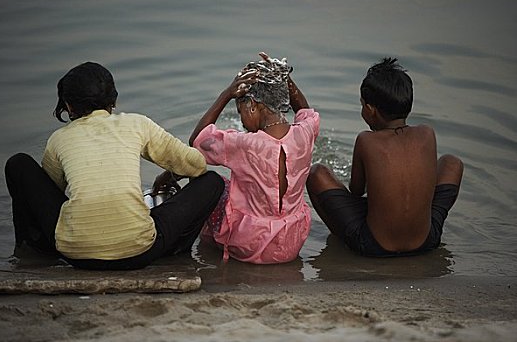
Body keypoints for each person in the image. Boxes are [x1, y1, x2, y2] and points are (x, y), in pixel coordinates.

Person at [4, 62, 224, 270]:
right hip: (140, 252)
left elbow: (50, 191)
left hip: (76, 255)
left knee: (18, 164)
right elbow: (196, 165)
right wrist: (169, 175)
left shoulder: (59, 139)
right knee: (211, 181)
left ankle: (33, 250)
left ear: (68, 105)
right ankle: (176, 251)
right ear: (114, 100)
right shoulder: (137, 124)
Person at [307, 58, 463, 257]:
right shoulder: (427, 133)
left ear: (371, 110)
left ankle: (346, 238)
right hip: (426, 241)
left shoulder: (366, 140)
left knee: (316, 173)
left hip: (374, 246)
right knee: (452, 163)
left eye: (362, 105)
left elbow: (356, 191)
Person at [189, 52, 320, 264]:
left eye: (241, 111)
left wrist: (226, 94)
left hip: (250, 245)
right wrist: (285, 78)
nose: (242, 121)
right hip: (292, 242)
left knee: (212, 185)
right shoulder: (305, 133)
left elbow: (197, 140)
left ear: (252, 105)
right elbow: (306, 111)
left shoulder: (244, 144)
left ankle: (206, 248)